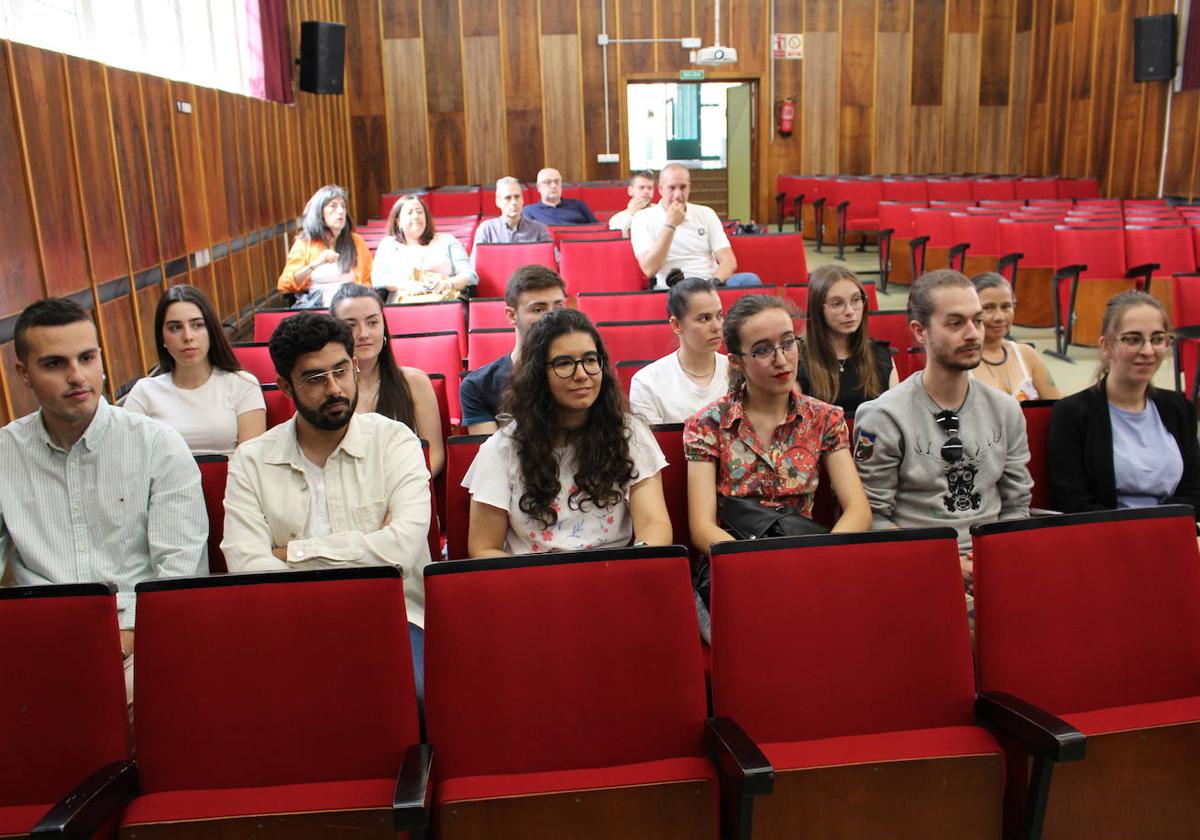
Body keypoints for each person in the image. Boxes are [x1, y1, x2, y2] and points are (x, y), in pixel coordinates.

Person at [0, 298, 206, 705]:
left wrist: (120, 641)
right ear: (23, 373)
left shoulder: (157, 446)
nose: (78, 376)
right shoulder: (5, 452)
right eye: (55, 364)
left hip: (140, 643)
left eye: (87, 357)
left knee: (113, 700)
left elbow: (178, 582)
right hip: (35, 643)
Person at [221, 312, 432, 697]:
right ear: (286, 385)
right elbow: (248, 568)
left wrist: (292, 554)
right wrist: (370, 546)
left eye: (341, 371)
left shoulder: (394, 441)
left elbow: (401, 548)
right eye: (315, 379)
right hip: (288, 622)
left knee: (411, 693)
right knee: (249, 704)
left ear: (355, 366)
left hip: (393, 617)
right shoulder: (251, 462)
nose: (335, 388)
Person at [853, 270, 1032, 588]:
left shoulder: (1006, 410)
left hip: (994, 564)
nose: (974, 334)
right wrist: (942, 562)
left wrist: (994, 558)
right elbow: (874, 518)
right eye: (955, 323)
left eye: (977, 321)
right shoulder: (883, 417)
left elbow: (1017, 505)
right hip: (916, 569)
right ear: (920, 331)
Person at [464, 308, 671, 556]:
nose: (582, 375)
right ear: (538, 374)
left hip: (615, 573)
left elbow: (654, 525)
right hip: (533, 580)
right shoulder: (501, 449)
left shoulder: (629, 433)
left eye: (590, 360)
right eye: (564, 364)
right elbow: (483, 547)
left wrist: (635, 563)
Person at [685, 295, 872, 556]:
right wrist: (763, 567)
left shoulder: (824, 418)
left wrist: (824, 557)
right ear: (737, 361)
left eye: (787, 343)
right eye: (762, 350)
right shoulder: (707, 424)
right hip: (738, 559)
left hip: (810, 554)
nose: (782, 360)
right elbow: (702, 527)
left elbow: (858, 509)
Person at [1048, 291, 1200, 520]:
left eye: (1158, 339)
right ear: (1106, 346)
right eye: (1133, 339)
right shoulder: (1072, 413)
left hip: (1170, 533)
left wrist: (1163, 525)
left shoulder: (1180, 408)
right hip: (1105, 538)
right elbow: (1074, 502)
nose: (1148, 351)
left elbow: (1195, 491)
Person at [124, 285, 266, 456]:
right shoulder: (144, 392)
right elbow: (130, 464)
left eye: (197, 325)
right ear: (162, 337)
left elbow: (252, 463)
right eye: (175, 328)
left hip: (234, 481)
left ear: (211, 331)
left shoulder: (243, 384)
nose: (188, 336)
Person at [329, 283, 445, 476]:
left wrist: (404, 490)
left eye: (372, 323)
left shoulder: (414, 382)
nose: (364, 334)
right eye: (351, 326)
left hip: (407, 490)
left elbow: (434, 455)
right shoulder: (328, 390)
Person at [460, 265, 567, 433]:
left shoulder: (584, 373)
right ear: (512, 315)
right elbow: (493, 457)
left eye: (558, 307)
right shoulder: (478, 386)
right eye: (538, 309)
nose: (552, 317)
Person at [631, 163, 762, 290]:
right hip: (674, 288)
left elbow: (729, 261)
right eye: (672, 188)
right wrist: (670, 225)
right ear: (660, 189)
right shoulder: (642, 218)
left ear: (689, 188)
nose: (678, 195)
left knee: (750, 280)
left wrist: (713, 283)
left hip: (710, 283)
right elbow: (649, 269)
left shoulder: (706, 213)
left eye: (683, 187)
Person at [797, 265, 898, 416]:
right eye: (837, 304)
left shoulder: (881, 356)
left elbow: (896, 419)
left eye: (856, 300)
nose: (850, 311)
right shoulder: (797, 358)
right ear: (818, 308)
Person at [629, 276, 729, 424]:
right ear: (677, 325)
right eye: (704, 319)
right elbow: (649, 445)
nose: (717, 327)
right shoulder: (647, 383)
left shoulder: (739, 371)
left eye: (719, 316)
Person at [969, 272, 1060, 401]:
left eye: (1006, 307)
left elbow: (1056, 407)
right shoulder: (961, 361)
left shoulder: (1027, 354)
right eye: (988, 308)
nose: (999, 317)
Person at [371, 193, 476, 303]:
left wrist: (448, 283)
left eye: (419, 212)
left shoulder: (447, 240)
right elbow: (378, 279)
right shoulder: (388, 244)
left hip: (444, 302)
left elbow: (470, 275)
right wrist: (405, 284)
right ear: (398, 221)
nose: (416, 216)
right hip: (402, 304)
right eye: (409, 213)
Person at [278, 185, 373, 306]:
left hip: (351, 306)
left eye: (343, 206)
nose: (340, 211)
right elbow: (284, 285)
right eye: (333, 206)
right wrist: (317, 263)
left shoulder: (356, 241)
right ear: (319, 213)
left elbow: (367, 281)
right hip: (316, 308)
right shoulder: (305, 244)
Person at [472, 176, 552, 253]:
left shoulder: (539, 229)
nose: (514, 202)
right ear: (498, 202)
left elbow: (553, 261)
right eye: (508, 198)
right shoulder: (487, 230)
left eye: (517, 197)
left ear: (522, 200)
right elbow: (476, 264)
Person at [522, 167, 599, 226]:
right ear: (539, 187)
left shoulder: (578, 205)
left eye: (557, 181)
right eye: (548, 182)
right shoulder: (529, 211)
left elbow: (597, 228)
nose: (553, 186)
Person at [607, 170, 656, 237]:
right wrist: (631, 213)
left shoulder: (661, 211)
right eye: (641, 187)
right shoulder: (616, 219)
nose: (646, 191)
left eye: (650, 188)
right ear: (630, 191)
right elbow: (617, 238)